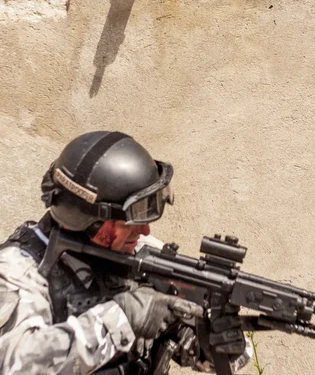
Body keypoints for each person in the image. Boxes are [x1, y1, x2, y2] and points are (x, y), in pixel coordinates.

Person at [0, 131, 248, 374]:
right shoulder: (17, 270)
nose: (145, 229)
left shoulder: (142, 254)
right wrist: (124, 318)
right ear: (92, 221)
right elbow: (14, 365)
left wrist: (214, 346)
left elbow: (208, 352)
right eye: (133, 219)